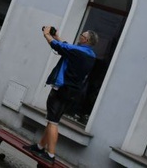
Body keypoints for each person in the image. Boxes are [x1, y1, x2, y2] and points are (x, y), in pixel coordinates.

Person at [24, 27, 98, 164]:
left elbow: (58, 46)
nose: (80, 36)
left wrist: (47, 34)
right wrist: (57, 36)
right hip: (73, 93)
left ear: (85, 39)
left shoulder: (77, 52)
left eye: (82, 35)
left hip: (61, 89)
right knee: (53, 119)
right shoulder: (90, 55)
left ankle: (50, 154)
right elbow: (67, 47)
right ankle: (40, 146)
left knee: (53, 122)